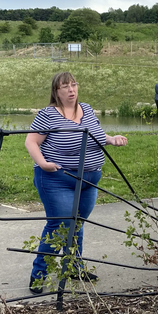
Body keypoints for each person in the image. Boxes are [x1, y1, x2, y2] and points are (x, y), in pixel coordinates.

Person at [25, 72, 127, 294]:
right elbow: (31, 141)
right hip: (57, 179)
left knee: (77, 223)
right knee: (60, 226)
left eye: (73, 85)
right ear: (56, 91)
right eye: (65, 87)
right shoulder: (48, 115)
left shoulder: (87, 109)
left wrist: (111, 139)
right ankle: (38, 276)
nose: (71, 90)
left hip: (89, 179)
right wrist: (42, 163)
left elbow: (96, 135)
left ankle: (73, 267)